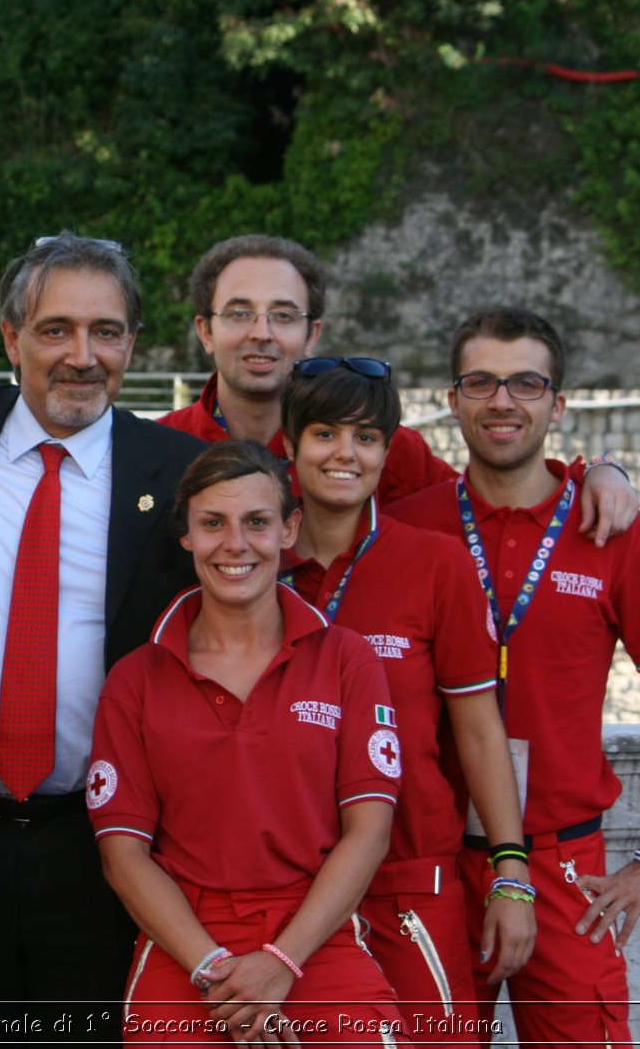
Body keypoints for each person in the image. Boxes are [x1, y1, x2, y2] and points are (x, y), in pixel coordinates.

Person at [0, 233, 205, 1041]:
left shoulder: (176, 470)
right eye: (56, 329)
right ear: (11, 338)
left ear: (133, 342)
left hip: (101, 849)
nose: (82, 356)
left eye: (107, 332)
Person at [390, 308, 640, 1046]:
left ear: (558, 404)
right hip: (428, 862)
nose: (503, 401)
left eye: (526, 383)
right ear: (452, 399)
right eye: (481, 382)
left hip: (567, 870)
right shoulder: (408, 526)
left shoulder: (611, 529)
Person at [88, 440, 405, 1046]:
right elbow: (122, 855)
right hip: (184, 938)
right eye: (213, 523)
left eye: (257, 522)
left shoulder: (345, 658)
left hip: (316, 930)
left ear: (289, 529)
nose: (236, 544)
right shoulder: (138, 675)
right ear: (186, 535)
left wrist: (281, 963)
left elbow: (370, 831)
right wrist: (216, 972)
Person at [278, 358, 533, 1045]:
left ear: (388, 453)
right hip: (278, 889)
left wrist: (511, 871)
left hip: (411, 883)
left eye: (365, 437)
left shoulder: (437, 564)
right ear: (290, 445)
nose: (345, 454)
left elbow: (479, 730)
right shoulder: (248, 565)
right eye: (325, 433)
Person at [158, 234, 638, 542]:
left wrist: (600, 469)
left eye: (283, 315)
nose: (261, 332)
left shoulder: (381, 449)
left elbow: (490, 499)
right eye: (239, 313)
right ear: (205, 330)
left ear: (313, 334)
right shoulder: (159, 451)